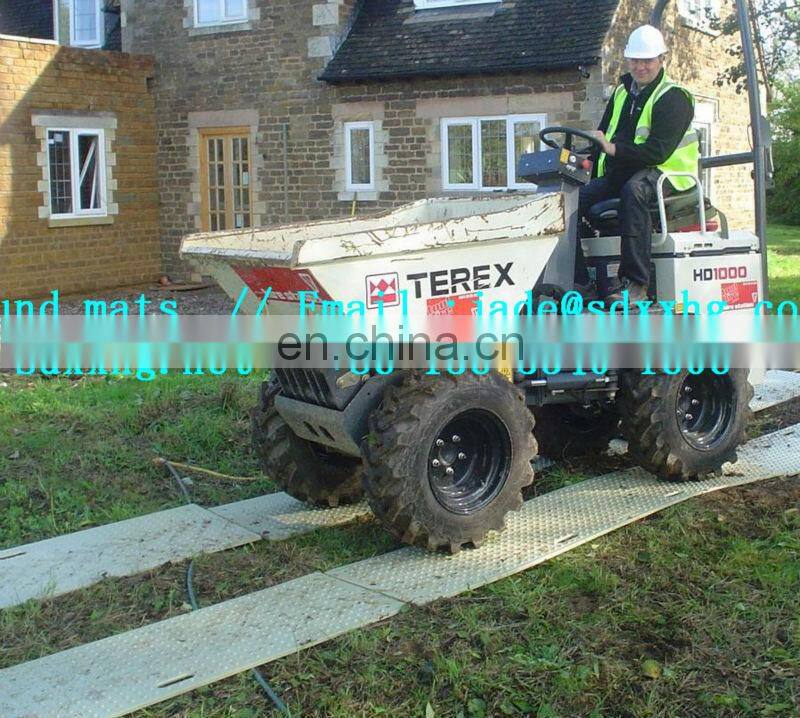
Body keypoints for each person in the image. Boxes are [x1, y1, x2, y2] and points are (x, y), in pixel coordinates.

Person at [575, 24, 700, 306]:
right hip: (627, 172)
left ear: (661, 60)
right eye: (635, 60)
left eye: (647, 60)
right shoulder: (622, 92)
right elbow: (604, 135)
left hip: (668, 176)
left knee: (635, 191)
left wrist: (613, 149)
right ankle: (581, 284)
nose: (640, 67)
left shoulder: (674, 97)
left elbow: (657, 151)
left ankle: (636, 284)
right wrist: (587, 159)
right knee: (572, 202)